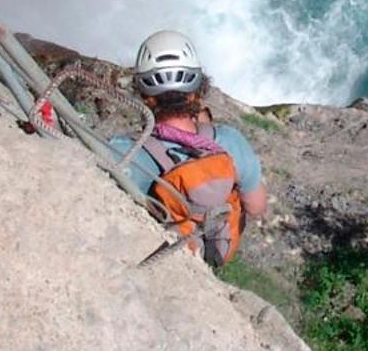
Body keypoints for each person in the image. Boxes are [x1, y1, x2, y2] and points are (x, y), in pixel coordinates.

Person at [111, 30, 268, 265]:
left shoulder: (122, 152)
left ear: (146, 98)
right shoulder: (229, 142)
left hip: (164, 258)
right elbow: (256, 208)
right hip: (215, 251)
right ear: (196, 92)